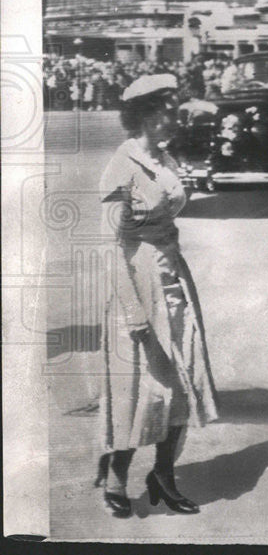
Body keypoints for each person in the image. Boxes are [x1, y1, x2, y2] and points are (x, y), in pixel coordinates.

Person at [95, 74, 218, 518]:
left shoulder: (163, 158)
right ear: (145, 114)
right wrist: (133, 314)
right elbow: (112, 247)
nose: (176, 117)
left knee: (183, 381)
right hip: (140, 282)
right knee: (144, 387)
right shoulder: (122, 165)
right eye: (168, 110)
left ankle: (164, 475)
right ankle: (116, 475)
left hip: (173, 279)